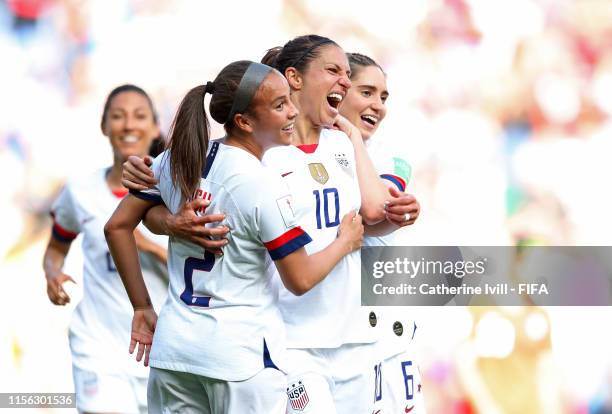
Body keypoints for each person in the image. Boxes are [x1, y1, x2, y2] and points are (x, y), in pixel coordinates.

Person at [122, 35, 420, 413]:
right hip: (285, 340)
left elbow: (362, 222)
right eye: (335, 72)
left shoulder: (343, 146)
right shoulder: (255, 157)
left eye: (348, 75)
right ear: (294, 79)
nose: (344, 83)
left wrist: (394, 220)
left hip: (350, 336)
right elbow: (143, 211)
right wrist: (169, 219)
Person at [42, 84, 169, 414]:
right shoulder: (80, 191)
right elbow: (56, 248)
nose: (128, 125)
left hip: (165, 351)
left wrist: (148, 247)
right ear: (104, 126)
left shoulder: (178, 193)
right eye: (118, 116)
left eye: (139, 116)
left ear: (155, 126)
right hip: (98, 349)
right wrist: (53, 274)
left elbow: (203, 271)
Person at [342, 52, 426, 413]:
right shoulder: (296, 152)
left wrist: (349, 136)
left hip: (382, 337)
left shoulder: (391, 154)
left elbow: (376, 212)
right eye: (367, 92)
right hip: (331, 333)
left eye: (383, 96)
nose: (378, 105)